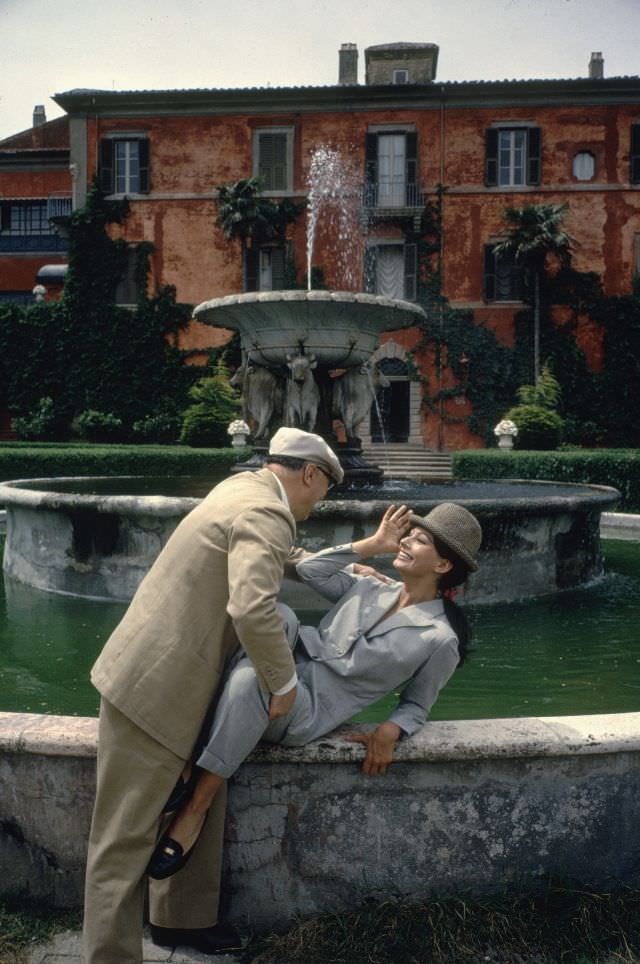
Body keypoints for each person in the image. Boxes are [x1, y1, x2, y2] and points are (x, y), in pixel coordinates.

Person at [82, 427, 343, 964]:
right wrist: (283, 681)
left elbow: (267, 550)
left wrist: (349, 554)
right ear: (310, 473)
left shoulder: (242, 489)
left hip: (185, 679)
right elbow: (251, 608)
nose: (322, 501)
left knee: (204, 796)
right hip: (153, 689)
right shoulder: (265, 513)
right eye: (324, 489)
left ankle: (181, 921)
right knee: (122, 837)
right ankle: (109, 956)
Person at [146, 501, 482, 883]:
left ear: (442, 566)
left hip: (305, 710)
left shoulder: (439, 639)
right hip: (285, 667)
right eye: (409, 535)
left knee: (248, 679)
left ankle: (197, 799)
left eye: (418, 541)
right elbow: (308, 569)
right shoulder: (369, 585)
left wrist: (392, 729)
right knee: (280, 616)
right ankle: (196, 788)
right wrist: (370, 545)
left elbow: (418, 704)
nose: (404, 542)